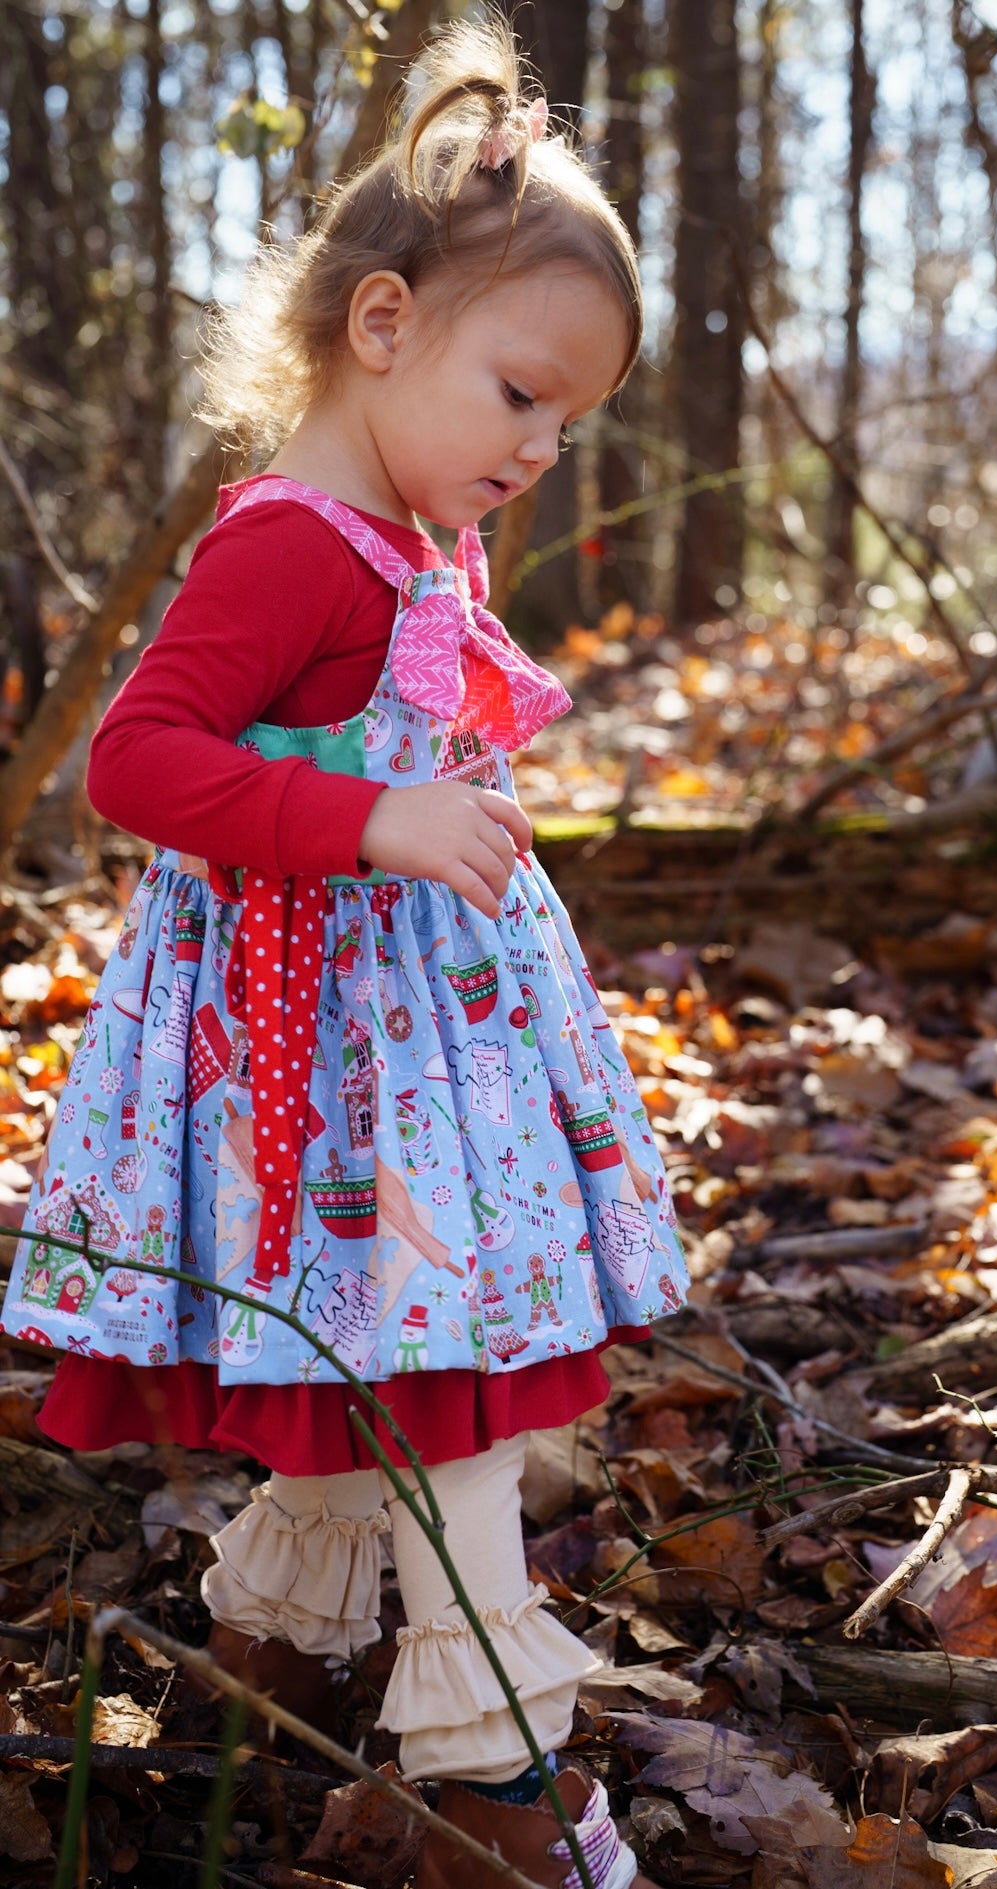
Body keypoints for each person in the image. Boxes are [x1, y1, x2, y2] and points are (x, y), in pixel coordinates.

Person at [2, 18, 686, 1885]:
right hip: (323, 1049)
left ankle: (268, 1645)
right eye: (525, 396)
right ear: (382, 325)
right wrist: (375, 817)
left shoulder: (398, 527)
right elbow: (141, 757)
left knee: (394, 1354)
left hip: (412, 1044)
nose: (544, 450)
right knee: (441, 1367)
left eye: (573, 422)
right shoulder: (291, 544)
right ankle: (490, 1775)